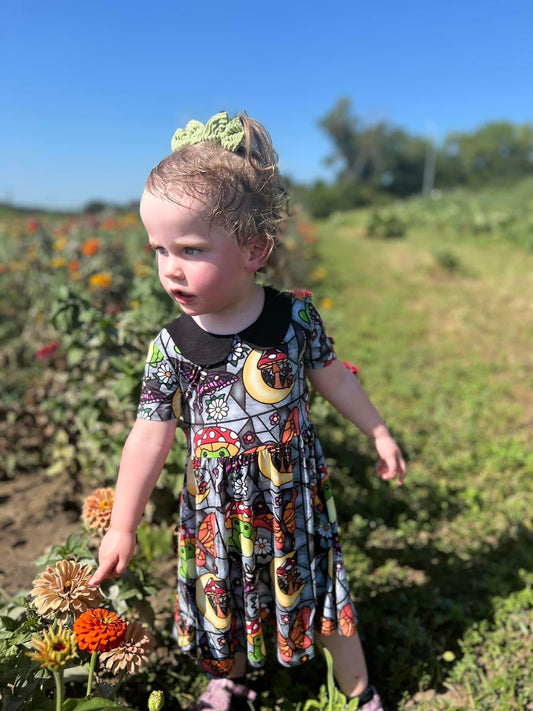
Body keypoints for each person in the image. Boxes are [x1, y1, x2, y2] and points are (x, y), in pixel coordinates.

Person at [90, 111, 406, 711]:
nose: (169, 269)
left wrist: (378, 429)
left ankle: (360, 693)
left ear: (255, 249)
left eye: (189, 249)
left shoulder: (294, 318)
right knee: (225, 593)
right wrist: (123, 523)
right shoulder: (172, 348)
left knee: (322, 590)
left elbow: (334, 378)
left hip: (293, 497)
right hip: (216, 506)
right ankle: (229, 681)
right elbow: (149, 437)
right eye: (158, 249)